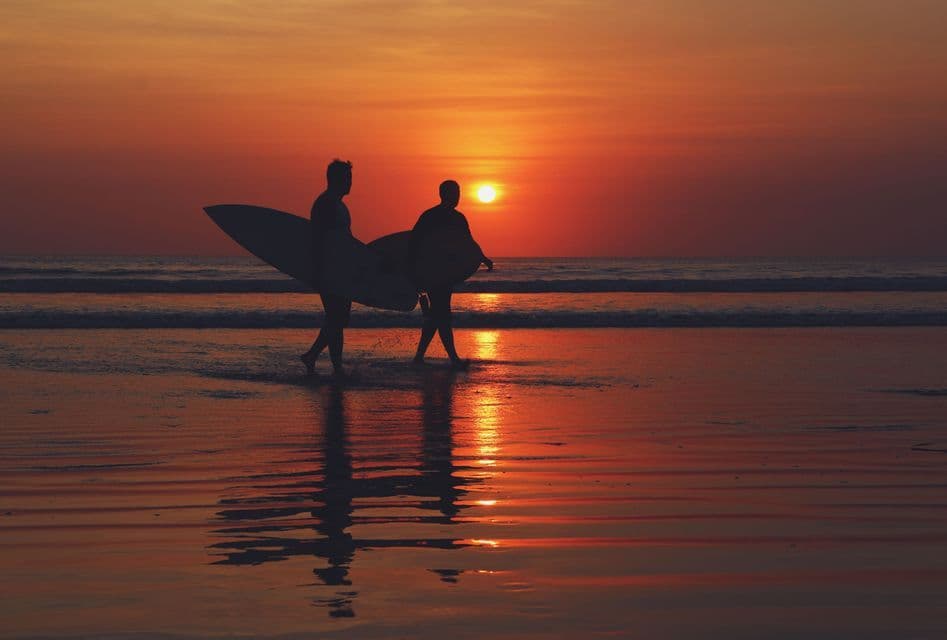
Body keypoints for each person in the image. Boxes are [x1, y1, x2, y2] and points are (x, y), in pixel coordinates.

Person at [410, 180, 493, 368]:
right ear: (444, 194)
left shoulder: (458, 218)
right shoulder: (431, 216)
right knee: (443, 313)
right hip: (432, 272)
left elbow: (468, 244)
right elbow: (414, 242)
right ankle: (453, 359)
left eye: (458, 192)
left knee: (435, 314)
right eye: (454, 192)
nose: (457, 196)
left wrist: (483, 258)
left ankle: (419, 357)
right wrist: (414, 272)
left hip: (445, 272)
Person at [300, 159, 354, 376]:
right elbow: (318, 239)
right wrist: (318, 270)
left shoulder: (339, 204)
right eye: (348, 178)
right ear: (337, 179)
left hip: (341, 269)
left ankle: (315, 357)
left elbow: (344, 239)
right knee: (336, 318)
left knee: (338, 319)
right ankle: (334, 365)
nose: (351, 183)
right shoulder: (325, 204)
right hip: (329, 270)